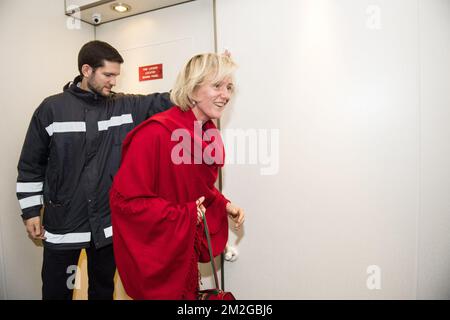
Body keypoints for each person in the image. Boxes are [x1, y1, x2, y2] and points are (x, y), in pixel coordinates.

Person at [15, 40, 173, 300]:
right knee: (58, 292)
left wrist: (202, 83)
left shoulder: (124, 105)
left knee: (102, 291)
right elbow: (31, 165)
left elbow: (164, 101)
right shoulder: (52, 109)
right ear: (86, 70)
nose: (113, 82)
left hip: (107, 228)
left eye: (116, 75)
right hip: (64, 226)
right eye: (108, 75)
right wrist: (30, 212)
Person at [109, 52, 245, 300]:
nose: (226, 95)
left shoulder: (204, 133)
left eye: (229, 87)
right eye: (217, 86)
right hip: (159, 263)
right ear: (192, 90)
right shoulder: (156, 134)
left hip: (184, 257)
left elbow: (191, 186)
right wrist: (184, 214)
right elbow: (125, 203)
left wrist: (223, 204)